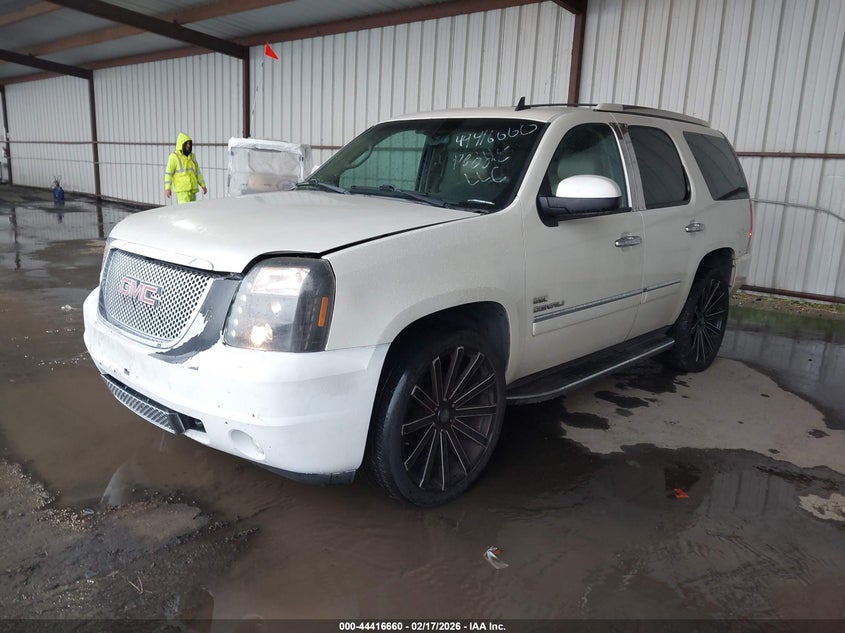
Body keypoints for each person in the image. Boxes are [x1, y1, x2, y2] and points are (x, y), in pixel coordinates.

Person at [164, 132, 207, 203]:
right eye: (186, 143)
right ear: (181, 144)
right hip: (182, 192)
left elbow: (198, 173)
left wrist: (203, 185)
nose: (188, 145)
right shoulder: (174, 157)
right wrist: (167, 188)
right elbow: (168, 173)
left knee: (192, 209)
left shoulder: (192, 156)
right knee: (185, 209)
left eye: (189, 143)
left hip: (192, 190)